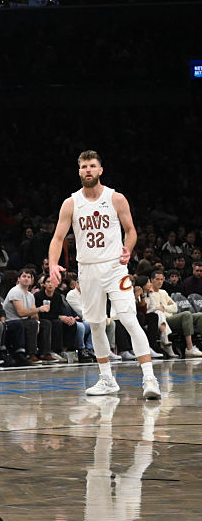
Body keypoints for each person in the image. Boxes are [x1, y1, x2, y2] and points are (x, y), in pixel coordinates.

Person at [48, 150, 160, 400]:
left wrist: (127, 250)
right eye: (84, 166)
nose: (88, 169)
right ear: (79, 172)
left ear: (100, 170)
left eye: (92, 166)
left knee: (129, 319)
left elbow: (130, 231)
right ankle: (106, 378)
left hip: (114, 268)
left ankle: (150, 378)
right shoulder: (71, 203)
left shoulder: (116, 198)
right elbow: (57, 238)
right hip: (87, 270)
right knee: (96, 324)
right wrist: (53, 264)